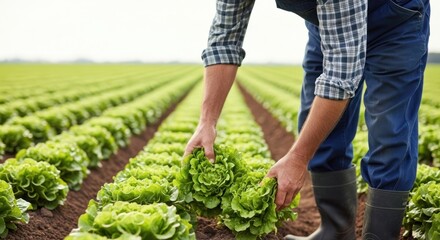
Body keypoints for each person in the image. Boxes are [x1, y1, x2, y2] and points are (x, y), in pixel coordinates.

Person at [184, 0, 430, 239]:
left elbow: (339, 77)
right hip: (328, 24)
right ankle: (335, 230)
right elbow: (225, 39)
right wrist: (207, 121)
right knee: (316, 123)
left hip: (395, 20)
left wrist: (298, 158)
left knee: (389, 130)